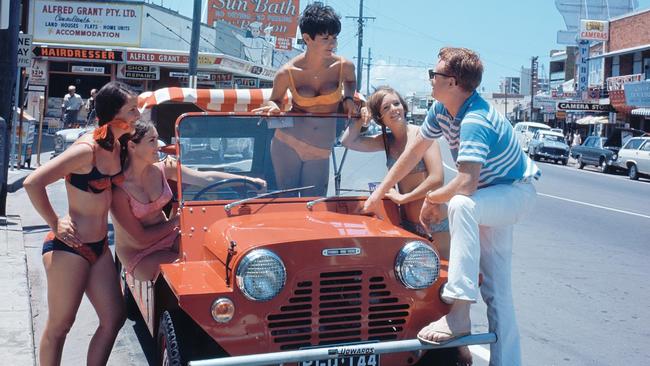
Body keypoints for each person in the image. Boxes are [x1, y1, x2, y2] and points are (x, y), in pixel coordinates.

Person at [363, 48, 539, 365]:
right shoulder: (442, 110)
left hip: (511, 194)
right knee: (498, 293)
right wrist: (379, 195)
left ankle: (459, 315)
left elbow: (467, 183)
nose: (430, 80)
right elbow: (413, 153)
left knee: (460, 204)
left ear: (454, 82)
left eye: (436, 75)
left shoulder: (475, 119)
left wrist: (432, 199)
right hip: (488, 196)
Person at [341, 87, 472, 365]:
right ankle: (421, 347)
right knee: (416, 289)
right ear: (380, 116)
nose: (395, 110)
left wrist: (402, 197)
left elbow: (436, 178)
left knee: (443, 286)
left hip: (436, 221)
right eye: (387, 108)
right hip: (409, 226)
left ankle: (460, 348)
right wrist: (360, 120)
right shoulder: (386, 142)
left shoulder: (422, 136)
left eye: (397, 104)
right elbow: (348, 141)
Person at [24, 81, 140, 365]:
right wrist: (54, 222)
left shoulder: (120, 146)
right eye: (132, 110)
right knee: (60, 326)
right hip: (69, 247)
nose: (138, 115)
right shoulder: (86, 150)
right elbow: (32, 182)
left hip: (99, 248)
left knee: (113, 318)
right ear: (114, 116)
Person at [111, 120, 267, 281]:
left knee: (216, 258)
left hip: (170, 237)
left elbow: (206, 177)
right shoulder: (119, 191)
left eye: (157, 139)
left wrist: (246, 180)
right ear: (132, 146)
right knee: (188, 272)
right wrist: (177, 220)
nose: (158, 145)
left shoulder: (163, 168)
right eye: (152, 140)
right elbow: (141, 237)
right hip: (140, 253)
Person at [254, 1, 357, 196]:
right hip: (287, 143)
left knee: (314, 205)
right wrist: (272, 107)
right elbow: (274, 100)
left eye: (335, 37)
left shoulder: (345, 66)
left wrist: (348, 98)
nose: (333, 44)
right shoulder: (287, 72)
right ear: (307, 38)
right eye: (326, 38)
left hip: (321, 149)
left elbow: (350, 82)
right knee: (289, 203)